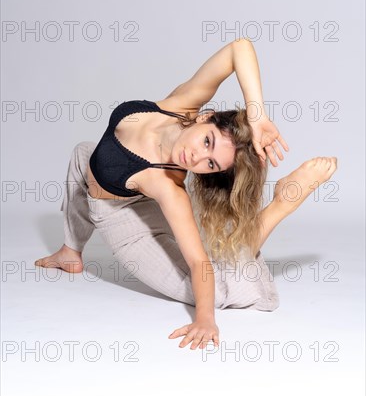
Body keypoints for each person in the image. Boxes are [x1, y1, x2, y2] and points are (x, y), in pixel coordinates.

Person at [35, 38, 337, 351]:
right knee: (85, 153)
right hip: (123, 189)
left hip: (132, 232)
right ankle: (71, 250)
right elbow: (240, 48)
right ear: (205, 117)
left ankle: (280, 205)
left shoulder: (168, 187)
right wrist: (257, 115)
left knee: (222, 285)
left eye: (211, 164)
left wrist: (205, 318)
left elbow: (198, 264)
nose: (196, 159)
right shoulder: (181, 103)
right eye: (207, 142)